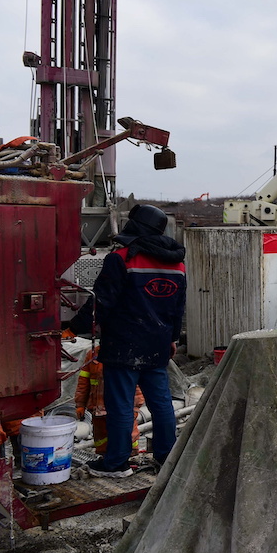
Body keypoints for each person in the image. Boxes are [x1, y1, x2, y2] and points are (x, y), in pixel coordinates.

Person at [67, 204, 185, 477]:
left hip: (123, 345)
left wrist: (73, 328)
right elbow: (178, 308)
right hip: (157, 345)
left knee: (120, 405)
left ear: (135, 226)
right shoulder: (177, 264)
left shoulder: (120, 259)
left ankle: (116, 463)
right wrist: (172, 338)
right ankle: (167, 458)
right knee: (161, 404)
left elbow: (101, 303)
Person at [74, 343, 145, 456]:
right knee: (102, 436)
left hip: (122, 408)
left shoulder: (129, 353)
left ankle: (130, 455)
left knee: (127, 433)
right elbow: (83, 383)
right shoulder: (93, 355)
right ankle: (104, 457)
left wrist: (135, 406)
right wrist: (80, 404)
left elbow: (137, 385)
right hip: (98, 409)